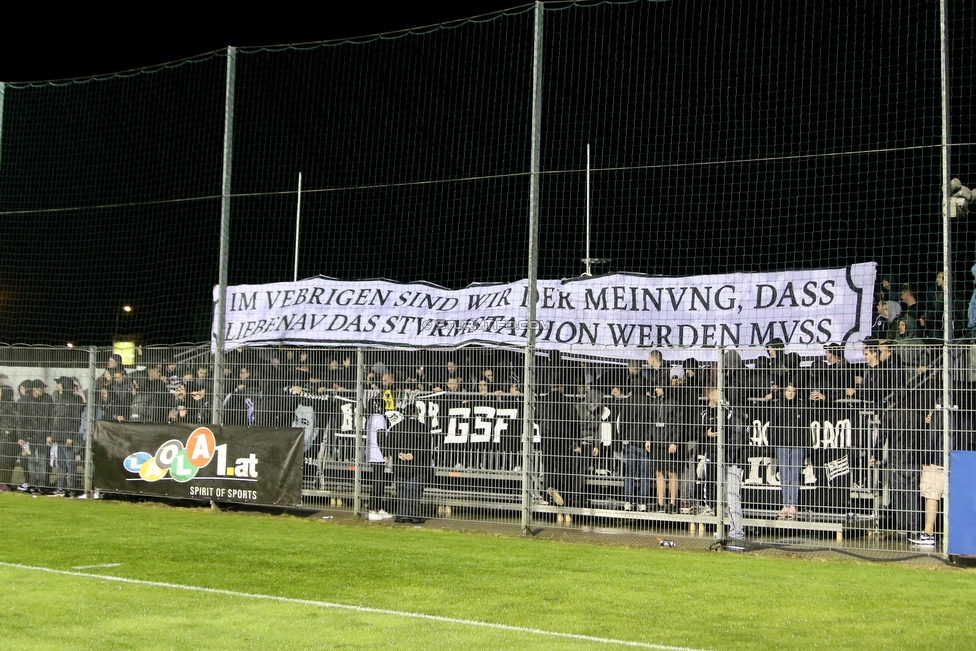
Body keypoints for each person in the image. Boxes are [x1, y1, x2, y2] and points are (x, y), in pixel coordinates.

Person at [388, 404, 433, 524]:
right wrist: (413, 455)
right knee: (415, 491)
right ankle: (414, 515)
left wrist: (398, 454)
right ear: (416, 413)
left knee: (402, 491)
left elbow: (389, 445)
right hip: (416, 466)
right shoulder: (423, 428)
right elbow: (426, 447)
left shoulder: (395, 428)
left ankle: (402, 515)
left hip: (399, 466)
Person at [769, 378, 806, 520]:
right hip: (782, 445)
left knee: (794, 475)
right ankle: (786, 504)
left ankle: (793, 505)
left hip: (797, 445)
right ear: (784, 391)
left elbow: (805, 428)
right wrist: (774, 444)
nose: (791, 393)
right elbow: (772, 426)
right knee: (784, 475)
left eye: (793, 391)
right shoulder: (778, 406)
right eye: (788, 390)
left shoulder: (801, 406)